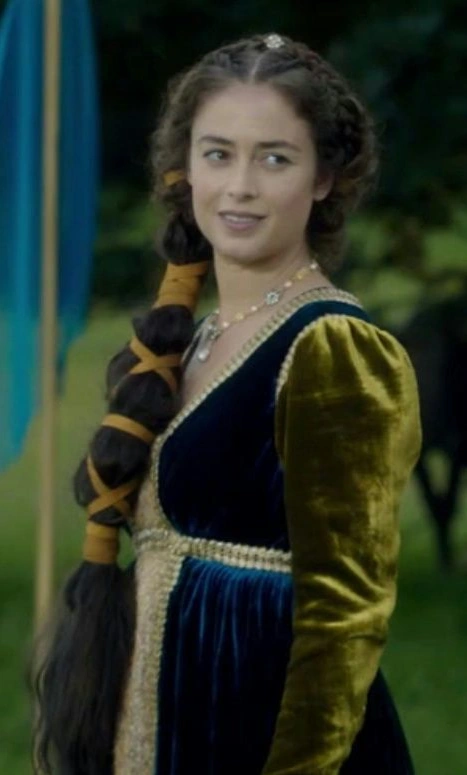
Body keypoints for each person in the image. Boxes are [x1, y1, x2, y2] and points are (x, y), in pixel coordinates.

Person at [33, 32, 422, 775]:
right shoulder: (190, 341)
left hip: (257, 725)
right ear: (185, 169)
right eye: (218, 154)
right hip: (162, 720)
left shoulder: (332, 346)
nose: (239, 185)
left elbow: (346, 614)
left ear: (323, 178)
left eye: (274, 158)